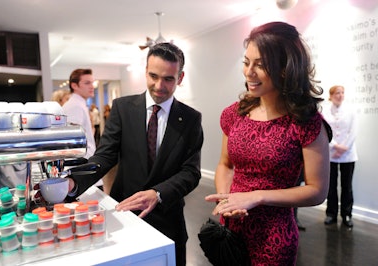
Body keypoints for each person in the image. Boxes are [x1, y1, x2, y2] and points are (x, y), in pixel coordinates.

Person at [65, 42, 204, 266]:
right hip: (125, 214)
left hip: (168, 218)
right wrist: (73, 181)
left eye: (168, 78)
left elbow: (191, 172)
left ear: (180, 77)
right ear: (145, 71)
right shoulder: (122, 108)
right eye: (153, 76)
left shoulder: (190, 119)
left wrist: (157, 193)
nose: (159, 85)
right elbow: (105, 156)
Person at [204, 22, 331, 265]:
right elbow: (225, 165)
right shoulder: (234, 114)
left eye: (260, 65)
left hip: (273, 237)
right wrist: (226, 199)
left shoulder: (305, 122)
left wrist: (257, 196)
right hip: (230, 229)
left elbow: (317, 191)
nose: (248, 72)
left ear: (285, 68)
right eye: (246, 62)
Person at [323, 85, 358, 228]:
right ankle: (331, 214)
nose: (340, 95)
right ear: (331, 95)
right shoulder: (324, 111)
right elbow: (324, 131)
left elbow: (353, 131)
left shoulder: (351, 111)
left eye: (342, 92)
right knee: (331, 186)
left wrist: (344, 148)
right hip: (330, 154)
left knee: (347, 186)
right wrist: (335, 146)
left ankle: (347, 214)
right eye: (337, 93)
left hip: (348, 154)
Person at [62, 69, 96, 159]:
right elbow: (74, 143)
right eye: (87, 83)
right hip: (81, 162)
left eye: (92, 83)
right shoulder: (75, 106)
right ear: (74, 85)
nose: (92, 86)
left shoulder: (79, 104)